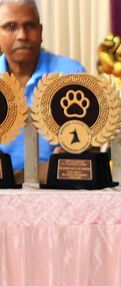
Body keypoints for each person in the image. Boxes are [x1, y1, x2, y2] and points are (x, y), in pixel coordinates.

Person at [0, 0, 84, 173]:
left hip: (56, 180)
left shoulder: (70, 73)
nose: (22, 35)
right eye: (11, 26)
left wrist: (70, 154)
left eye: (29, 26)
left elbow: (86, 139)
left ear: (40, 31)